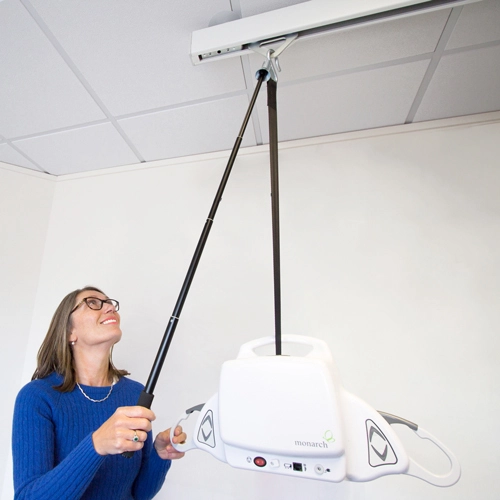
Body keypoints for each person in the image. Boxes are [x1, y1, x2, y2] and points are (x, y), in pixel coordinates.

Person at [12, 286, 186, 500]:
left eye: (110, 302)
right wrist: (96, 445)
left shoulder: (135, 394)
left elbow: (138, 494)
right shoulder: (38, 397)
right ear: (69, 332)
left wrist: (160, 456)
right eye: (93, 302)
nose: (110, 307)